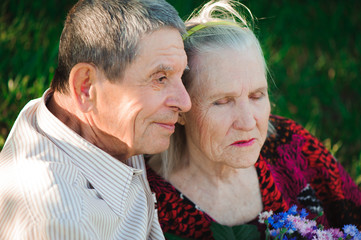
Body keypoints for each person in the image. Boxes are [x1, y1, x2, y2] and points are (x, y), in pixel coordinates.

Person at [147, 0, 361, 239]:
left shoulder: (293, 146)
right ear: (182, 108)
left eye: (256, 95)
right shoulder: (149, 207)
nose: (248, 122)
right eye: (222, 101)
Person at [0, 0, 191, 239]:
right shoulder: (61, 223)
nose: (185, 103)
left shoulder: (91, 123)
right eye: (160, 78)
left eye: (181, 76)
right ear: (86, 87)